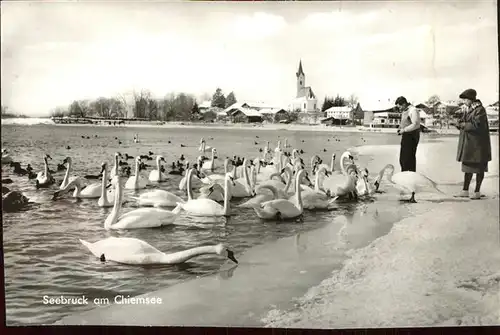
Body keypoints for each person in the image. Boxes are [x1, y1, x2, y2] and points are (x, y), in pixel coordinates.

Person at [454, 88, 491, 200]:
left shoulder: (480, 110)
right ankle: (465, 190)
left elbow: (476, 126)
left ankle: (477, 192)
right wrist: (458, 123)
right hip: (469, 144)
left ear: (471, 99)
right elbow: (466, 124)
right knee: (467, 168)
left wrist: (462, 124)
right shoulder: (468, 109)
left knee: (479, 168)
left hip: (478, 145)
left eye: (465, 99)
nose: (464, 101)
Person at [395, 96, 421, 172]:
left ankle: (410, 176)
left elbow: (416, 124)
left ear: (403, 104)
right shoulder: (405, 110)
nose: (399, 109)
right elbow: (405, 121)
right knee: (403, 159)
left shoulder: (413, 110)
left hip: (412, 137)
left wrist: (404, 130)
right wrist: (400, 128)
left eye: (400, 107)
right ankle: (404, 176)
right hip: (406, 135)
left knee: (408, 159)